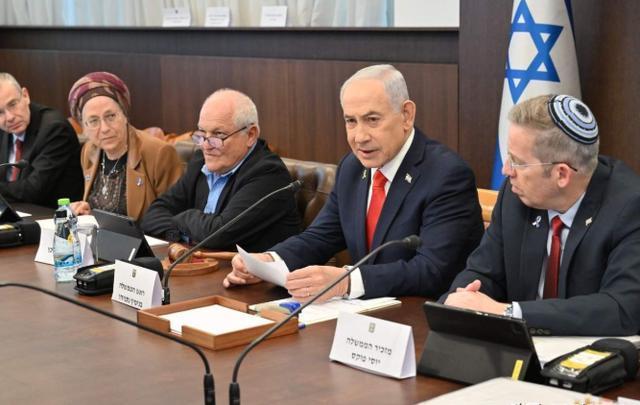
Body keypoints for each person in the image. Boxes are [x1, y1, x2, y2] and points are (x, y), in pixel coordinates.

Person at [224, 64, 484, 302]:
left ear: (406, 115)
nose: (359, 137)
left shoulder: (446, 174)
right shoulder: (352, 167)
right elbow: (321, 236)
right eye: (351, 121)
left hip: (422, 315)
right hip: (366, 317)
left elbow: (433, 270)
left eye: (372, 120)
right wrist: (268, 262)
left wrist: (346, 281)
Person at [443, 94, 640, 336]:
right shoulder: (516, 195)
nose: (506, 170)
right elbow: (484, 272)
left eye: (518, 162)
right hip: (518, 348)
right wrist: (460, 301)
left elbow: (622, 308)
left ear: (561, 174)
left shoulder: (630, 208)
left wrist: (510, 313)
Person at [141, 88, 301, 251]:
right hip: (201, 264)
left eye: (218, 135)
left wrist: (183, 217)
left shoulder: (268, 174)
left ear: (251, 135)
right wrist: (181, 231)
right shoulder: (200, 161)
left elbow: (218, 235)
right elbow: (152, 216)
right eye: (202, 134)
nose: (206, 145)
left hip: (247, 268)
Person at [67, 71, 182, 221]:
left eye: (111, 116)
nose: (105, 128)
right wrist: (88, 214)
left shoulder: (159, 153)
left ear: (124, 115)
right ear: (84, 126)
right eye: (93, 121)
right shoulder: (89, 151)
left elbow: (172, 218)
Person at [0, 72, 83, 207]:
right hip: (14, 210)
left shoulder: (54, 129)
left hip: (51, 214)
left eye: (13, 104)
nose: (9, 117)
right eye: (0, 112)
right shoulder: (4, 129)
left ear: (25, 95)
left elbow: (34, 190)